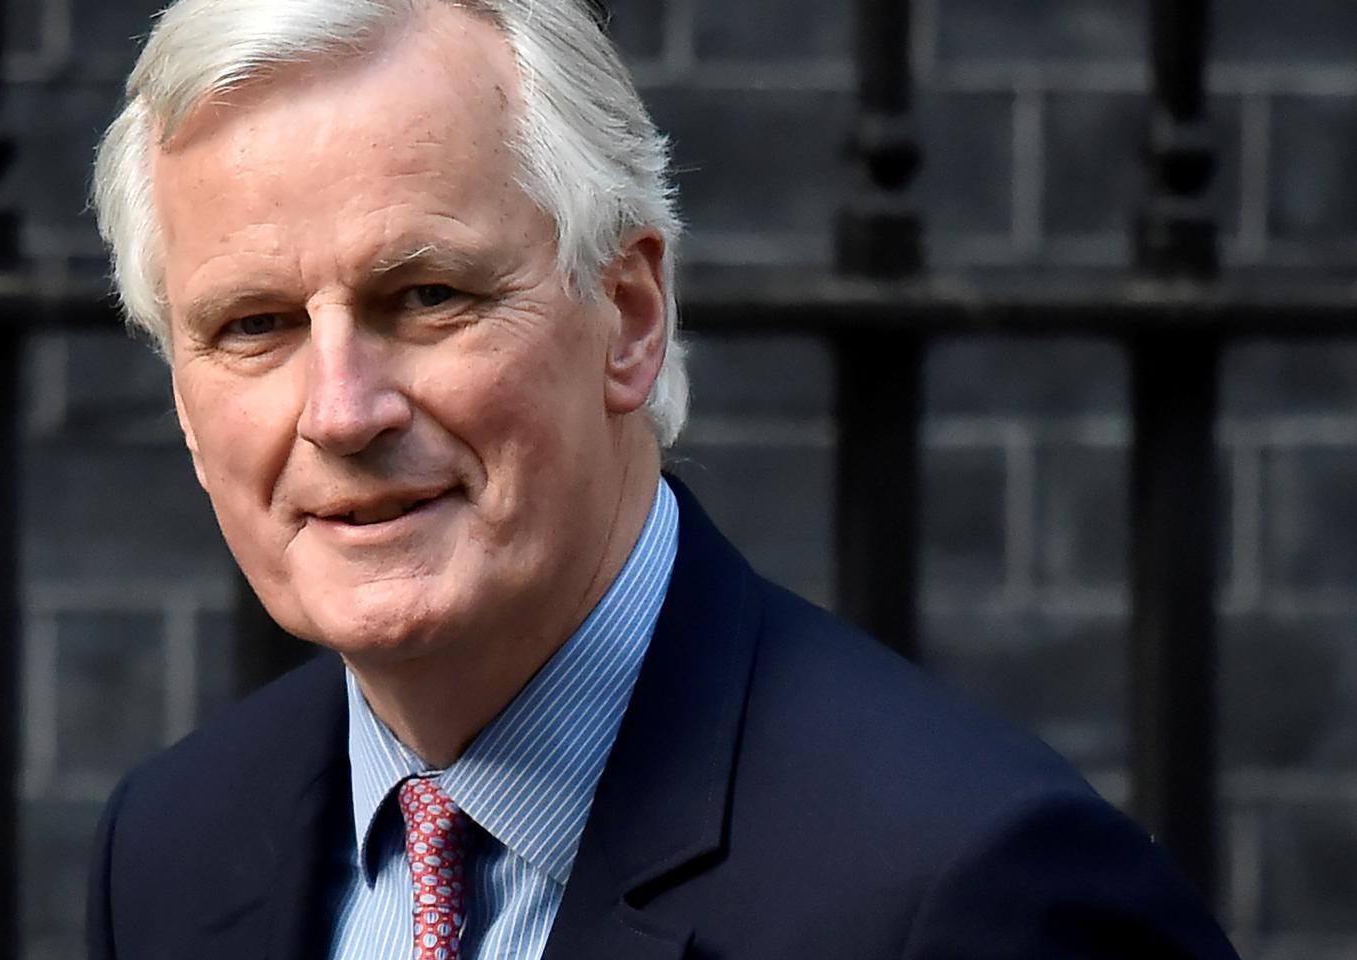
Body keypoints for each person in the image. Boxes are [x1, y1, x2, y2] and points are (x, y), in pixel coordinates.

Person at [84, 1, 1241, 957]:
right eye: (253, 324)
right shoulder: (168, 850)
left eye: (428, 296)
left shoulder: (973, 890)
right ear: (186, 404)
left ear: (629, 319)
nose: (341, 410)